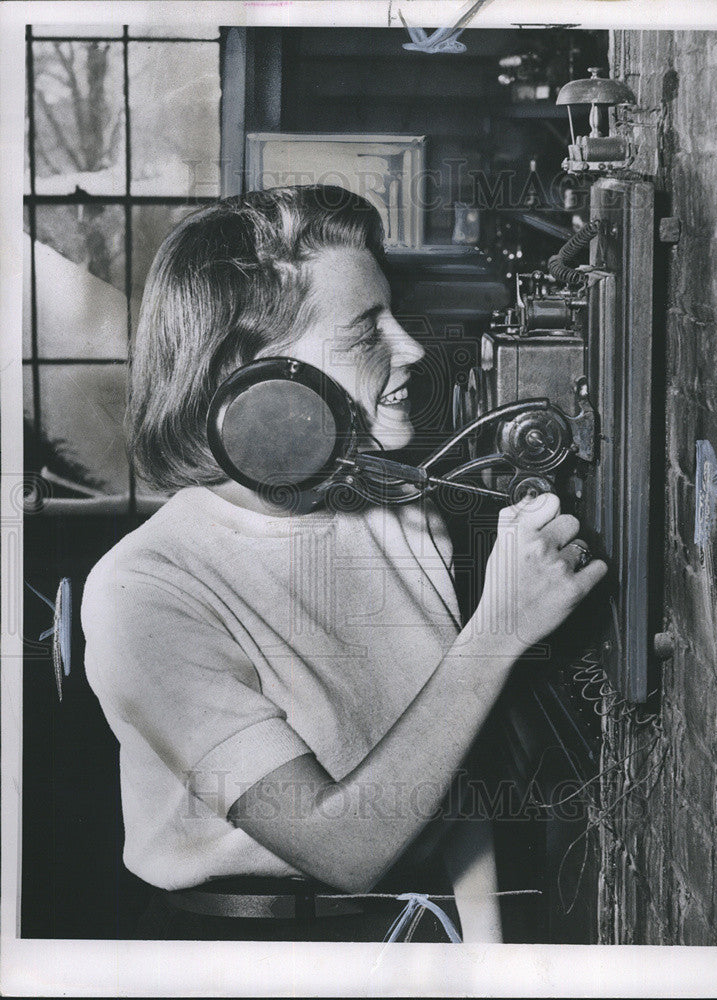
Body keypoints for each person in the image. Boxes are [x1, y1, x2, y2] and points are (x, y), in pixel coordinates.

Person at [81, 185, 607, 942]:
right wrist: (495, 633)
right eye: (366, 331)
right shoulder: (146, 590)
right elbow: (343, 849)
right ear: (249, 374)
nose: (413, 350)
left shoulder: (400, 511)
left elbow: (443, 769)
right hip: (259, 950)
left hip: (422, 930)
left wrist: (487, 959)